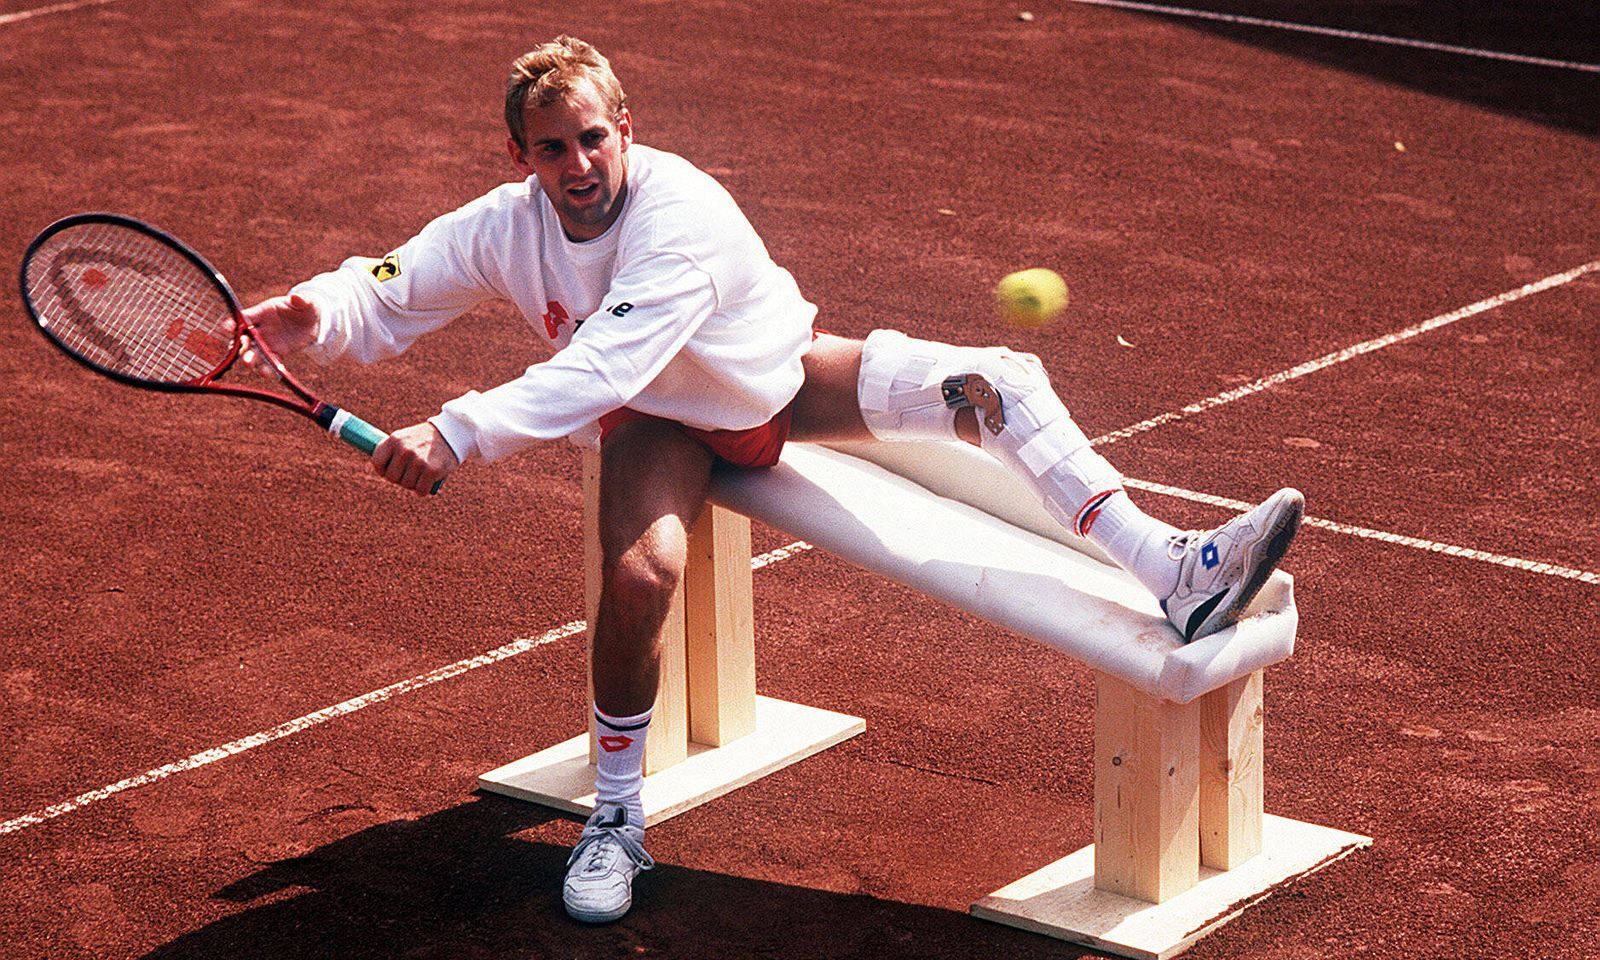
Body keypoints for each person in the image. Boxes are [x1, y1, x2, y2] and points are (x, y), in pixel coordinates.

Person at [243, 35, 1304, 924]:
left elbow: (600, 360)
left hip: (779, 388)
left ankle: (1171, 564)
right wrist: (318, 313)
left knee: (999, 382)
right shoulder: (504, 227)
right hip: (662, 426)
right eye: (552, 146)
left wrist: (457, 431)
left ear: (628, 127)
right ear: (519, 153)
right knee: (639, 578)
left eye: (594, 137)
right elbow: (398, 282)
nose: (577, 163)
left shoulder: (681, 217)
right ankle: (616, 816)